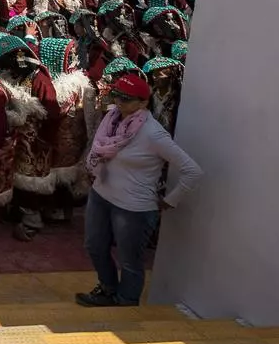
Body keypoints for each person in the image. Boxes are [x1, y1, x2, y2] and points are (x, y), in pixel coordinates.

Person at [77, 71, 202, 308]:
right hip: (101, 196)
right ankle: (107, 289)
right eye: (117, 96)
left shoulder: (153, 134)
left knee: (129, 260)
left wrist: (171, 200)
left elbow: (192, 170)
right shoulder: (111, 119)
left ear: (144, 102)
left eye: (126, 98)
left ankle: (126, 304)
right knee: (94, 246)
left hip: (132, 208)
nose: (119, 102)